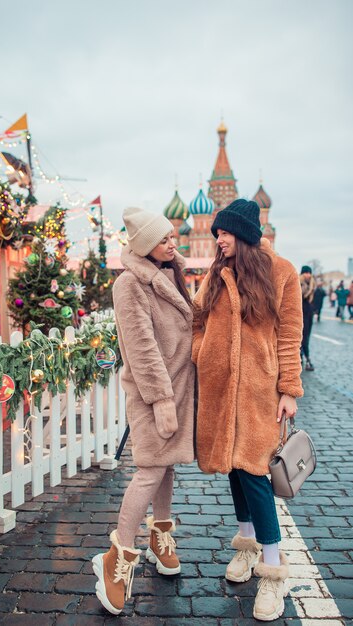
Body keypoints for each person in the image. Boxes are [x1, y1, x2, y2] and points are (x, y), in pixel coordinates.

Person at [192, 199, 303, 622]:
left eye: (225, 232)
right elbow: (197, 318)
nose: (218, 238)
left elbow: (290, 333)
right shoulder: (218, 273)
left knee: (256, 473)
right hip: (220, 387)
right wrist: (201, 352)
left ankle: (273, 570)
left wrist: (288, 389)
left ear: (244, 233)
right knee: (234, 469)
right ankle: (246, 543)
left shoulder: (281, 272)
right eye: (217, 232)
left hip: (259, 390)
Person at [92, 207, 195, 615]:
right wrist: (160, 399)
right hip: (156, 392)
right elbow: (140, 347)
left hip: (180, 386)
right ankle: (117, 556)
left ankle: (161, 535)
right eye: (165, 239)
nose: (173, 243)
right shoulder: (129, 284)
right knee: (149, 468)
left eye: (173, 237)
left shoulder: (172, 274)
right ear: (145, 245)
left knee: (167, 465)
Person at [300, 266, 316, 371]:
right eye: (305, 272)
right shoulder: (298, 284)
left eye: (309, 273)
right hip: (300, 313)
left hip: (308, 314)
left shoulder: (312, 285)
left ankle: (303, 356)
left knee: (306, 337)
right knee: (301, 337)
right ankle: (306, 358)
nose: (308, 275)